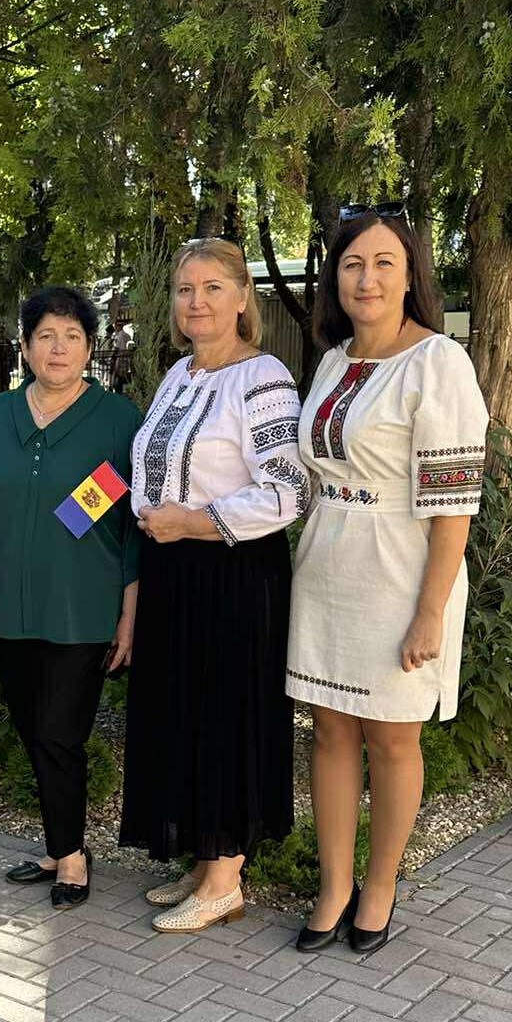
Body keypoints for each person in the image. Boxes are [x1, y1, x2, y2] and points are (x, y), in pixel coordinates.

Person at [287, 205, 488, 957]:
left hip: (401, 571)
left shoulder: (438, 362)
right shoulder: (333, 361)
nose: (366, 279)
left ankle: (379, 884)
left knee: (393, 737)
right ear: (334, 279)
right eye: (352, 264)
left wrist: (431, 610)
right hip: (328, 563)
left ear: (409, 278)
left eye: (383, 264)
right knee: (330, 729)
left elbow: (453, 504)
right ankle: (334, 884)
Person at [120, 239, 306, 933]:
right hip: (173, 566)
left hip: (230, 569)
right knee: (184, 712)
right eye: (184, 289)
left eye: (212, 288)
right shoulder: (180, 374)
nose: (196, 301)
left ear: (241, 298)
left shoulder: (262, 377)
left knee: (225, 713)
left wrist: (194, 522)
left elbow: (288, 491)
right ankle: (204, 860)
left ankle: (227, 876)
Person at [0, 287, 142, 910]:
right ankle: (57, 844)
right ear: (25, 346)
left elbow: (133, 527)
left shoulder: (119, 422)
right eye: (45, 335)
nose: (58, 348)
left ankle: (71, 855)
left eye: (72, 336)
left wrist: (130, 612)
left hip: (82, 608)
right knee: (32, 730)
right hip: (6, 606)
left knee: (59, 732)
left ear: (90, 347)